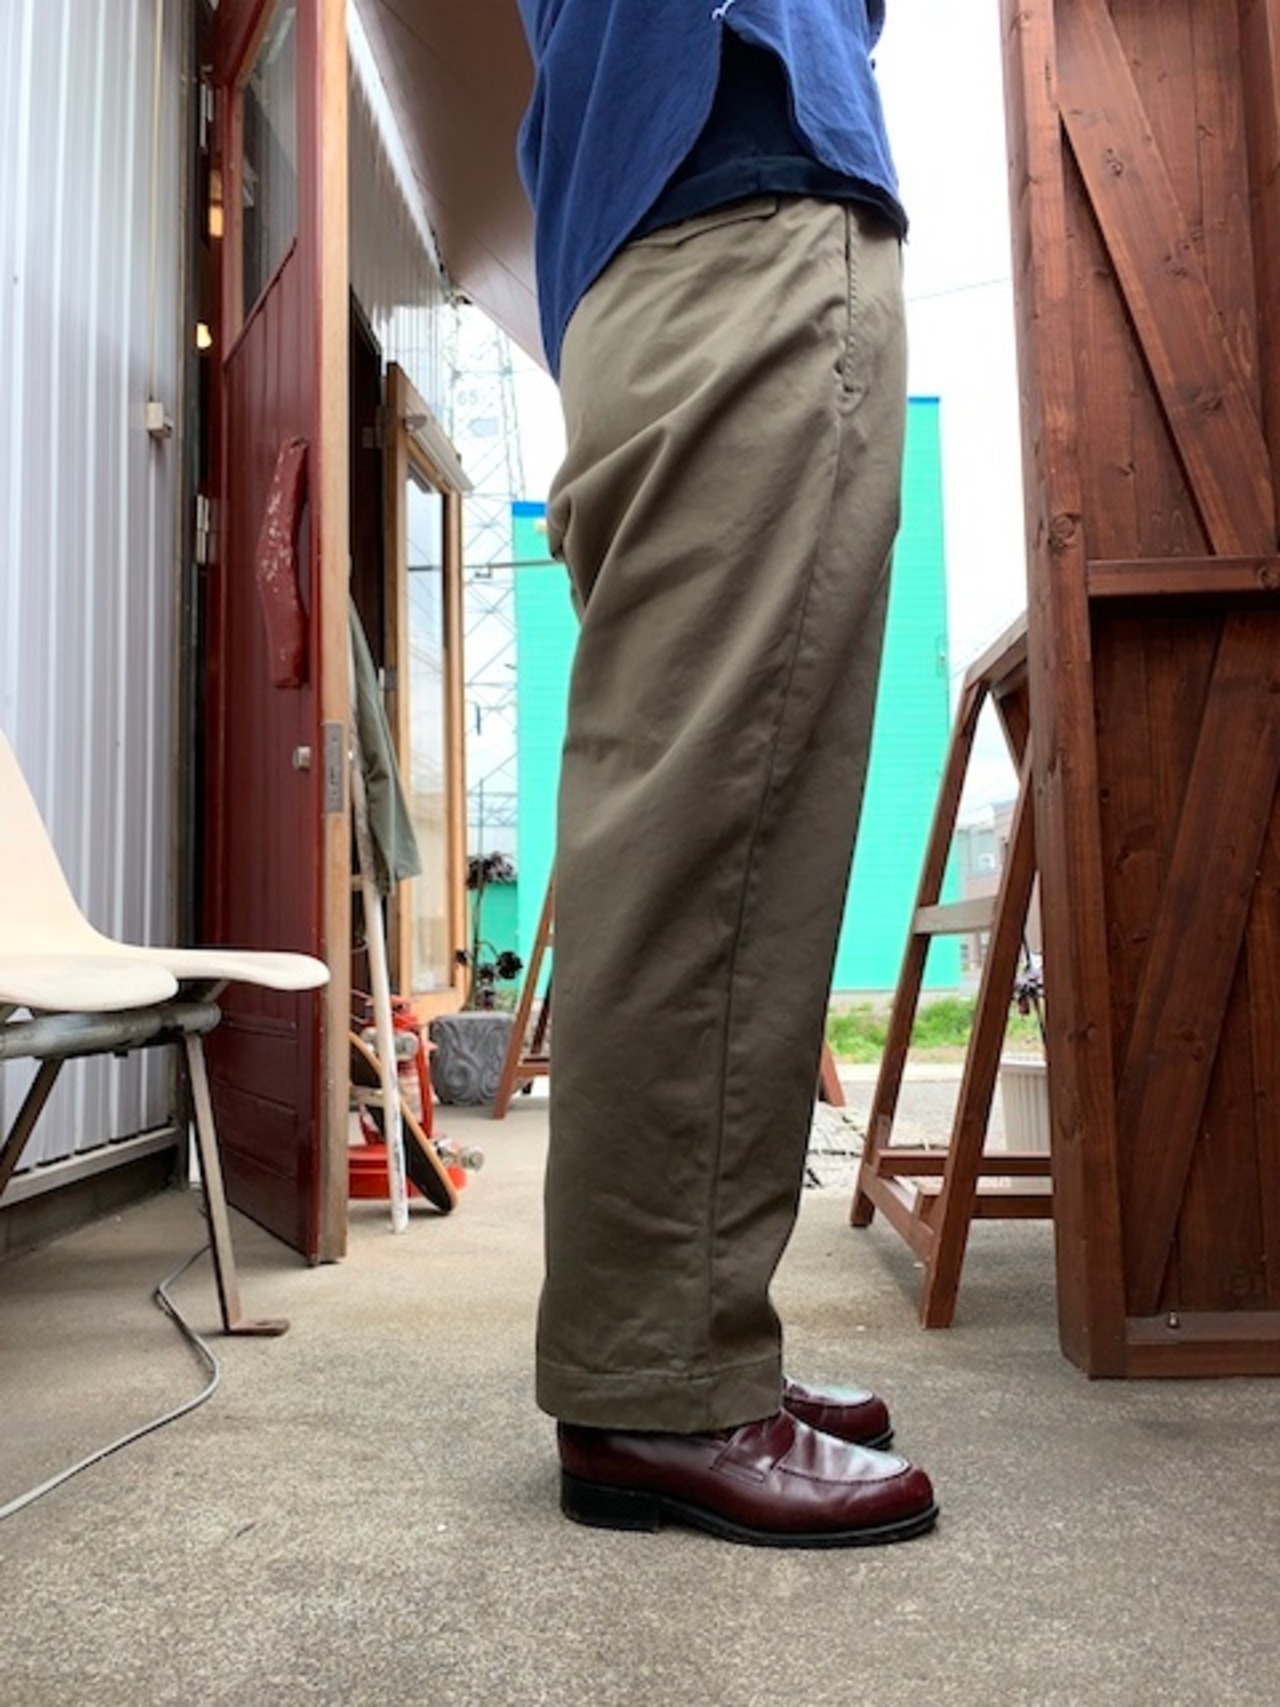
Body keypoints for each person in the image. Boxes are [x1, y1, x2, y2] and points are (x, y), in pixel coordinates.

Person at [514, 0, 938, 1547]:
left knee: (681, 821)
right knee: (719, 837)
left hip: (639, 250)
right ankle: (663, 1385)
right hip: (738, 205)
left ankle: (678, 1341)